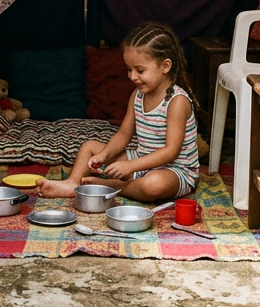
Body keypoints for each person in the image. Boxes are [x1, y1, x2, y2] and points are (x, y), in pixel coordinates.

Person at [37, 22, 200, 201]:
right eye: (129, 69)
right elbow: (123, 135)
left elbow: (171, 151)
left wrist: (131, 166)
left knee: (153, 185)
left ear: (165, 66)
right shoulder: (137, 95)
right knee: (89, 147)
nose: (132, 76)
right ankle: (72, 183)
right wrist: (104, 155)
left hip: (174, 170)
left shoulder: (177, 101)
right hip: (141, 160)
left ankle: (112, 186)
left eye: (140, 70)